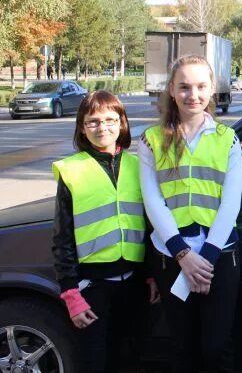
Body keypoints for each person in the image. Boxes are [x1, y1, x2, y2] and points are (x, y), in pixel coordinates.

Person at [139, 54, 242, 373]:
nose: (192, 95)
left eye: (200, 86)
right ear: (171, 89)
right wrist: (183, 255)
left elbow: (231, 202)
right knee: (182, 349)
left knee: (215, 349)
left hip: (220, 256)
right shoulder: (151, 140)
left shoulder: (229, 140)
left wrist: (206, 257)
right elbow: (152, 200)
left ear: (212, 89)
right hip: (170, 256)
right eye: (184, 86)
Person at [52, 90, 160, 373]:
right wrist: (71, 294)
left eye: (111, 119)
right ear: (82, 127)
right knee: (95, 362)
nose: (103, 128)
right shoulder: (71, 171)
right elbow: (62, 239)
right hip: (93, 289)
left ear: (123, 123)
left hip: (134, 285)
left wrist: (151, 275)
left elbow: (150, 226)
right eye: (93, 121)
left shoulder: (139, 166)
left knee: (131, 359)